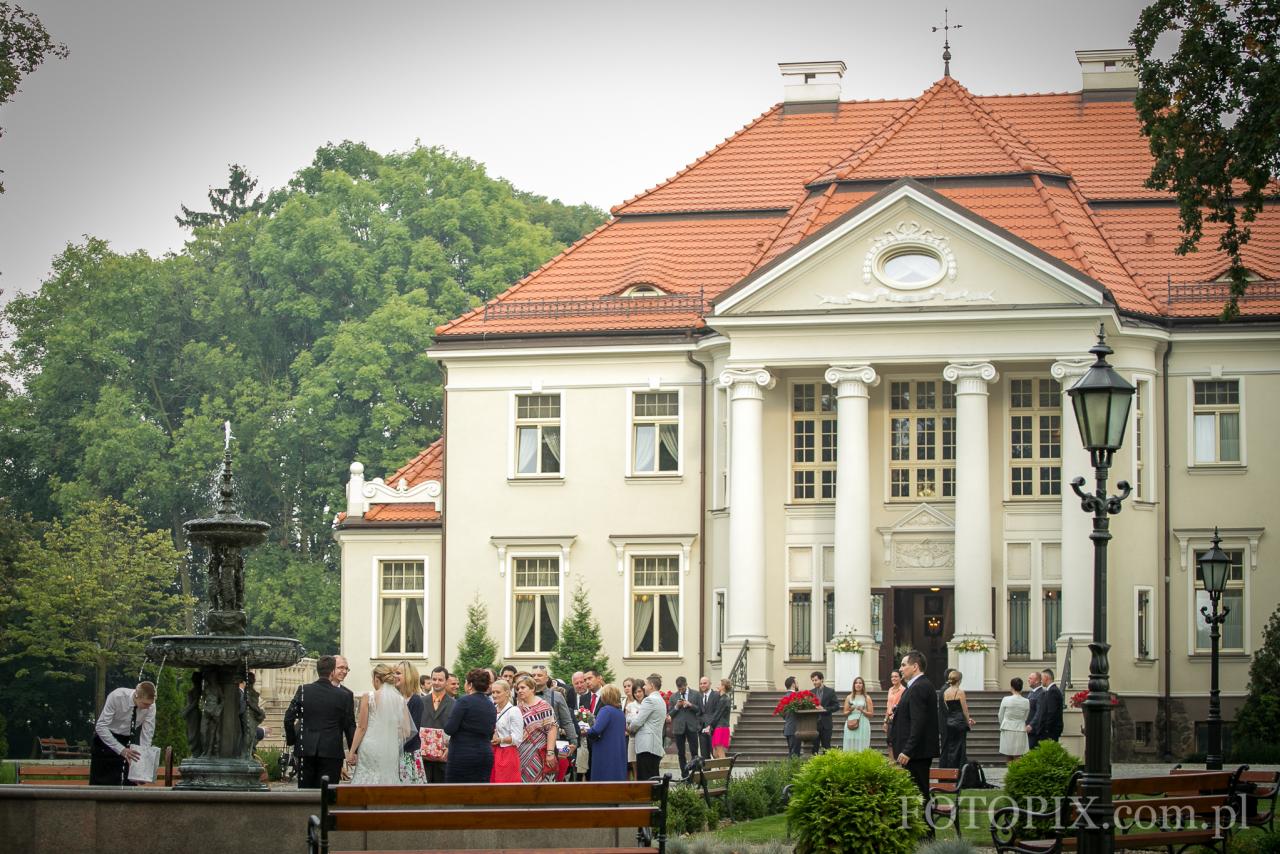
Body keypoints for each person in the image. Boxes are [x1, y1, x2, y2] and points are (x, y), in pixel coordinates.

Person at [285, 655, 357, 789]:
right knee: (328, 792)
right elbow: (349, 725)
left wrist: (292, 740)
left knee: (306, 791)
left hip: (306, 749)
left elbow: (288, 718)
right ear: (332, 672)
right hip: (331, 750)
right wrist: (353, 750)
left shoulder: (303, 690)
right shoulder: (343, 696)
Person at [347, 663, 415, 784]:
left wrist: (352, 751)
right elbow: (407, 731)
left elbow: (362, 727)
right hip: (390, 748)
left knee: (366, 776)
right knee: (388, 777)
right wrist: (391, 738)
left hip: (370, 746)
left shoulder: (368, 697)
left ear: (376, 679)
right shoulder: (400, 700)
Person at [892, 650, 940, 799]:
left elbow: (918, 722)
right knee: (914, 794)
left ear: (915, 667)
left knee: (919, 794)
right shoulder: (914, 686)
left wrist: (908, 750)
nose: (900, 669)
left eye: (903, 665)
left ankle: (925, 821)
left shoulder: (919, 687)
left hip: (916, 754)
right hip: (915, 753)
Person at [90, 681, 156, 786]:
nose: (148, 707)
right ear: (136, 696)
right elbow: (101, 726)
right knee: (102, 785)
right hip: (105, 740)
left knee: (128, 784)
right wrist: (121, 750)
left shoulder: (151, 706)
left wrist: (141, 766)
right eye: (145, 704)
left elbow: (147, 734)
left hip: (127, 740)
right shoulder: (117, 696)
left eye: (150, 704)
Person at [444, 668, 497, 782]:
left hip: (462, 755)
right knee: (480, 793)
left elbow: (450, 728)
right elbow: (490, 732)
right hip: (484, 754)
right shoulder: (490, 704)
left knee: (457, 793)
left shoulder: (464, 701)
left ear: (470, 685)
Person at [531, 665, 574, 780]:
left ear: (546, 678)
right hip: (533, 745)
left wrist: (574, 742)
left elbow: (567, 722)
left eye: (539, 675)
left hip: (556, 744)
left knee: (557, 777)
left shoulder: (557, 696)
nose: (536, 677)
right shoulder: (525, 696)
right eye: (533, 675)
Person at [515, 675, 558, 782]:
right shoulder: (517, 708)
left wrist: (550, 752)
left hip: (539, 753)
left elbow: (552, 729)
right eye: (518, 688)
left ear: (532, 688)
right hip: (521, 754)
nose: (519, 691)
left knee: (540, 788)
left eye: (523, 687)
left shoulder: (544, 706)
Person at [419, 665, 455, 783]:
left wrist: (450, 749)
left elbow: (457, 730)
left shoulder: (454, 704)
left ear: (446, 681)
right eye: (434, 679)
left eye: (440, 680)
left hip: (443, 758)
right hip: (424, 758)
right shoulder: (421, 701)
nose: (437, 682)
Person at [584, 684, 627, 781]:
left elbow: (596, 730)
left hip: (605, 751)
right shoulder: (620, 713)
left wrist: (586, 731)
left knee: (603, 780)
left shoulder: (606, 710)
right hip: (617, 751)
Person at [629, 673, 666, 781]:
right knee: (653, 777)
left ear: (652, 685)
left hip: (647, 746)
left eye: (645, 684)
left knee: (645, 780)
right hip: (654, 745)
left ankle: (648, 798)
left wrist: (630, 725)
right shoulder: (661, 700)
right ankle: (656, 798)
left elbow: (638, 722)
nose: (644, 687)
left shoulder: (649, 700)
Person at [396, 660, 427, 783]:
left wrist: (395, 746)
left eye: (398, 673)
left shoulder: (416, 700)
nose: (395, 676)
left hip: (408, 754)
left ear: (408, 676)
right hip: (393, 754)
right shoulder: (394, 697)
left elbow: (412, 732)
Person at [490, 679, 523, 782]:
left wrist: (501, 740)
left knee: (505, 785)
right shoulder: (492, 709)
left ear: (507, 693)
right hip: (492, 751)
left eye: (498, 692)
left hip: (507, 753)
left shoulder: (514, 711)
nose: (494, 695)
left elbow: (517, 738)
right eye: (493, 692)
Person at [940, 669, 975, 769]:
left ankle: (951, 770)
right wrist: (968, 721)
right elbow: (965, 710)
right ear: (959, 680)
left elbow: (948, 708)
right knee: (961, 747)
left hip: (950, 722)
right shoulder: (960, 692)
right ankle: (960, 771)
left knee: (951, 747)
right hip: (959, 722)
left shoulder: (945, 692)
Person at [668, 676, 702, 775]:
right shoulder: (673, 697)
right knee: (681, 753)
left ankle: (694, 775)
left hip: (692, 727)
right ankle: (685, 775)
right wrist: (677, 707)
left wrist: (690, 705)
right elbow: (670, 713)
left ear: (686, 685)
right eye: (679, 689)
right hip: (678, 728)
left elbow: (700, 710)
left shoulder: (696, 694)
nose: (681, 690)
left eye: (682, 688)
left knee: (694, 753)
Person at [998, 677, 1031, 758]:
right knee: (1018, 755)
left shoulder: (1005, 699)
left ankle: (1010, 770)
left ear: (1012, 687)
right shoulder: (1026, 701)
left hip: (1007, 728)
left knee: (1008, 754)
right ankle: (1016, 771)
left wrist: (1003, 723)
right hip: (1020, 729)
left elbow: (1000, 715)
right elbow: (1026, 716)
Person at [842, 676, 874, 753]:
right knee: (850, 743)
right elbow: (845, 713)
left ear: (863, 685)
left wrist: (862, 710)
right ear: (854, 685)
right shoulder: (849, 697)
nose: (858, 684)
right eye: (856, 683)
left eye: (860, 683)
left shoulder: (867, 697)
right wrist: (851, 709)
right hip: (851, 722)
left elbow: (871, 714)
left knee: (862, 745)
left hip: (863, 722)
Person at [810, 671, 837, 752]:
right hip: (814, 725)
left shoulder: (830, 691)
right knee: (814, 749)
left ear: (822, 680)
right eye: (813, 681)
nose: (814, 682)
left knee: (826, 748)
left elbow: (836, 706)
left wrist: (824, 709)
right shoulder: (811, 692)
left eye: (816, 680)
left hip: (826, 725)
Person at [705, 678, 732, 759]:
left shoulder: (724, 699)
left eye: (720, 684)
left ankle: (725, 771)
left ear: (723, 687)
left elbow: (717, 714)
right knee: (716, 754)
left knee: (720, 753)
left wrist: (709, 725)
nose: (718, 686)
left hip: (721, 727)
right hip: (720, 727)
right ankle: (722, 769)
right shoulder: (722, 698)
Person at [1037, 668, 1064, 742]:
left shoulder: (1052, 691)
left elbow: (1051, 712)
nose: (1041, 681)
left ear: (1046, 678)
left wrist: (1046, 729)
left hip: (1050, 732)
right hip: (1049, 731)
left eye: (1041, 678)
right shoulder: (1051, 690)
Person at [624, 679, 644, 777]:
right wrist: (628, 729)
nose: (637, 694)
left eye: (639, 691)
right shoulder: (630, 706)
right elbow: (626, 722)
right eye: (635, 692)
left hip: (643, 737)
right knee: (633, 762)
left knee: (642, 763)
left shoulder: (647, 704)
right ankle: (635, 780)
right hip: (632, 736)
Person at [883, 669, 904, 758]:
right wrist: (885, 720)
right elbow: (888, 705)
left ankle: (899, 764)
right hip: (890, 720)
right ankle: (892, 763)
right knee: (889, 742)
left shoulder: (903, 690)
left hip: (898, 720)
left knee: (897, 742)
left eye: (896, 676)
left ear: (900, 678)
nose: (893, 678)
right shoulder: (890, 690)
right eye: (892, 676)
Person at [780, 676, 801, 757]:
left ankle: (791, 768)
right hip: (795, 728)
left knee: (791, 752)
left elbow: (782, 713)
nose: (798, 684)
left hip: (788, 727)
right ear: (793, 684)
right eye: (797, 683)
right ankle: (793, 769)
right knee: (795, 754)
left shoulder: (784, 697)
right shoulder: (795, 696)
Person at [1024, 670, 1043, 750]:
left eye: (1030, 678)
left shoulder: (1041, 693)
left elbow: (1039, 712)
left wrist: (1031, 725)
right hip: (1029, 729)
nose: (1028, 680)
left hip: (1034, 731)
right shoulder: (1032, 692)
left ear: (1037, 681)